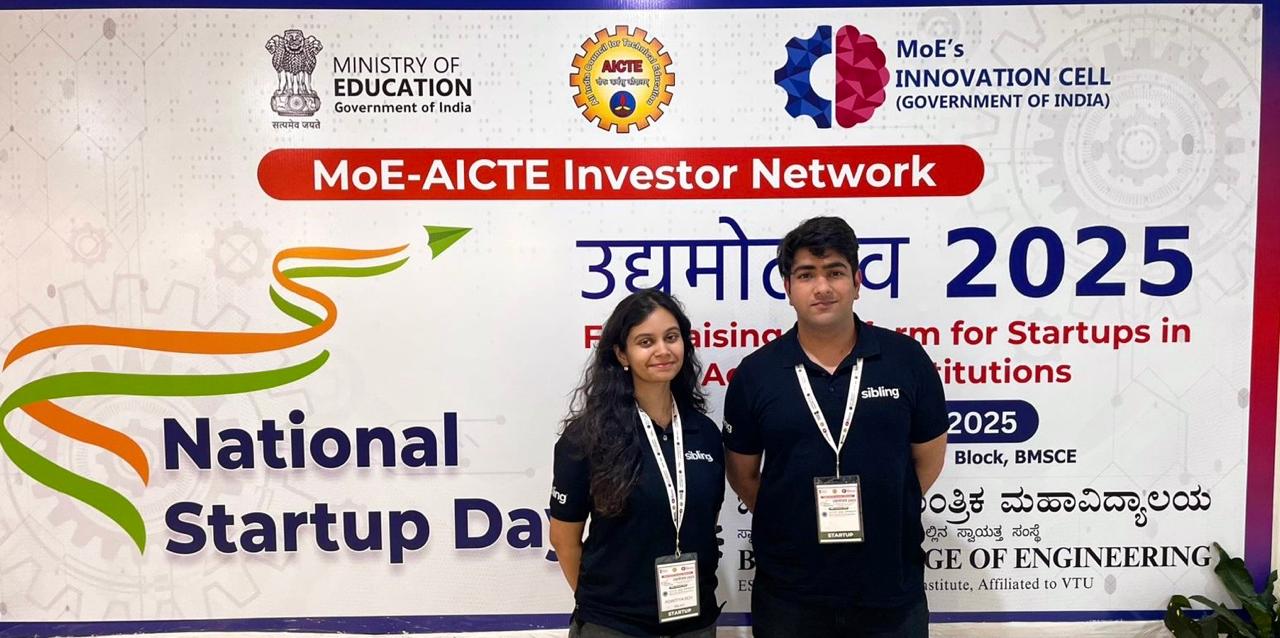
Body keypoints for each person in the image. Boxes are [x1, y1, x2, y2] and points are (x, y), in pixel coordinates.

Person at [723, 216, 948, 637]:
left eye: (835, 272)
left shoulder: (906, 360)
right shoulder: (757, 373)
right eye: (806, 274)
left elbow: (928, 459)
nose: (822, 287)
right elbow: (743, 475)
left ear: (857, 282)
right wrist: (793, 517)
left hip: (889, 589)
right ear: (787, 287)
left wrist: (884, 507)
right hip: (790, 596)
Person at [550, 289, 725, 638]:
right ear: (621, 354)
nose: (663, 350)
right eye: (646, 342)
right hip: (615, 625)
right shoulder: (587, 437)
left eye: (671, 337)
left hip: (694, 622)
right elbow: (564, 540)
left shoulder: (703, 432)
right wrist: (603, 607)